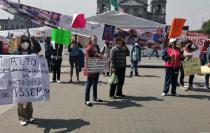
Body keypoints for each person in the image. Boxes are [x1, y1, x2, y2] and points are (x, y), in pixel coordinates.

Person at [14, 35, 37, 126]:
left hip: (29, 78)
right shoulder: (16, 53)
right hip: (19, 79)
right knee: (20, 99)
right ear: (20, 43)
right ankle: (22, 117)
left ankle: (29, 115)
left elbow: (38, 49)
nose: (25, 43)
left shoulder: (32, 52)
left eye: (27, 41)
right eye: (23, 41)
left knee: (29, 97)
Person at [84, 35, 103, 106]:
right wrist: (97, 55)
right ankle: (87, 100)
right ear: (91, 40)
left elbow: (99, 55)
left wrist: (101, 55)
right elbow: (89, 58)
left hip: (96, 68)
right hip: (91, 68)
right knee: (89, 85)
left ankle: (95, 97)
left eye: (96, 39)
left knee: (95, 84)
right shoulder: (89, 48)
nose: (95, 40)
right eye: (94, 39)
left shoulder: (97, 46)